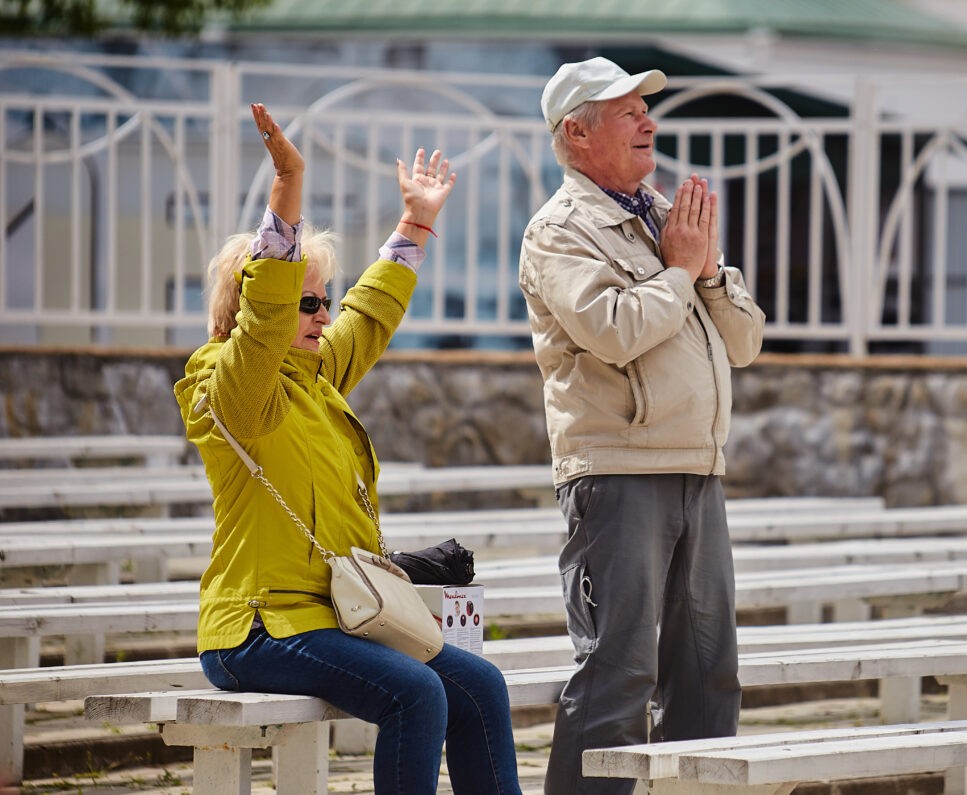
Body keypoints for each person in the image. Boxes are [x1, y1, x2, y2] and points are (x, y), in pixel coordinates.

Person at [174, 103, 522, 795]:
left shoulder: (313, 376)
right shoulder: (224, 383)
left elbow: (368, 314)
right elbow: (264, 326)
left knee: (478, 682)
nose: (323, 315)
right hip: (256, 628)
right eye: (307, 303)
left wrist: (415, 223)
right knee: (417, 692)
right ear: (257, 308)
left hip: (331, 616)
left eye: (321, 299)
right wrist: (288, 184)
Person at [517, 58, 767, 794]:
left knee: (708, 678)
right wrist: (683, 272)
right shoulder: (559, 230)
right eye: (627, 113)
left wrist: (706, 271)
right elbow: (616, 329)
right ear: (577, 132)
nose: (649, 123)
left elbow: (746, 341)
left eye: (644, 109)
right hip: (617, 473)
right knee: (617, 681)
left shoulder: (663, 216)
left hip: (698, 467)